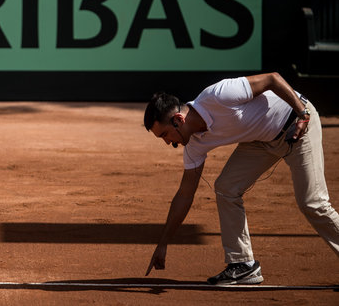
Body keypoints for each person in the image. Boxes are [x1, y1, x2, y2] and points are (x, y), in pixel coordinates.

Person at [143, 72, 338, 284]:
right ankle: (243, 264)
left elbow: (272, 79)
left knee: (313, 203)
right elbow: (185, 194)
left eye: (164, 135)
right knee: (226, 187)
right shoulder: (194, 145)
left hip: (297, 125)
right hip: (261, 141)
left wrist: (303, 114)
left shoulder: (218, 96)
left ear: (178, 120)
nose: (166, 142)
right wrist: (163, 243)